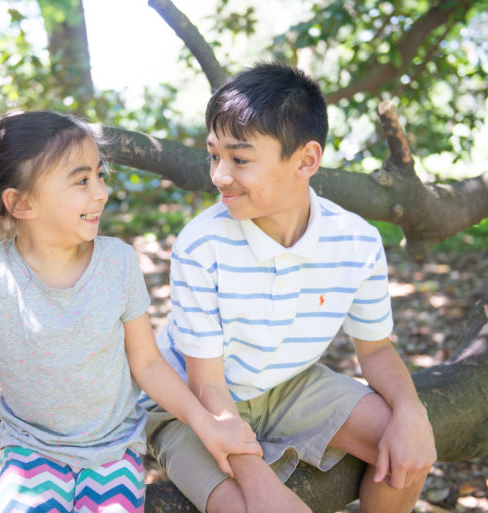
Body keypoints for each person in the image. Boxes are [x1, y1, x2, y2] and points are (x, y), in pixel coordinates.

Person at [0, 110, 262, 513]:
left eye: (100, 174)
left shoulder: (117, 263)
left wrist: (207, 426)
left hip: (112, 452)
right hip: (30, 453)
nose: (101, 192)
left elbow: (147, 364)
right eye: (81, 181)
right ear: (22, 204)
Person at [143, 62, 437, 513]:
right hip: (194, 408)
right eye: (213, 155)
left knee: (404, 452)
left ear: (306, 160)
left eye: (239, 159)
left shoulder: (356, 241)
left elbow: (376, 351)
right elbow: (207, 385)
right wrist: (260, 483)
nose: (220, 175)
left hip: (291, 384)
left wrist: (412, 413)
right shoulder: (200, 245)